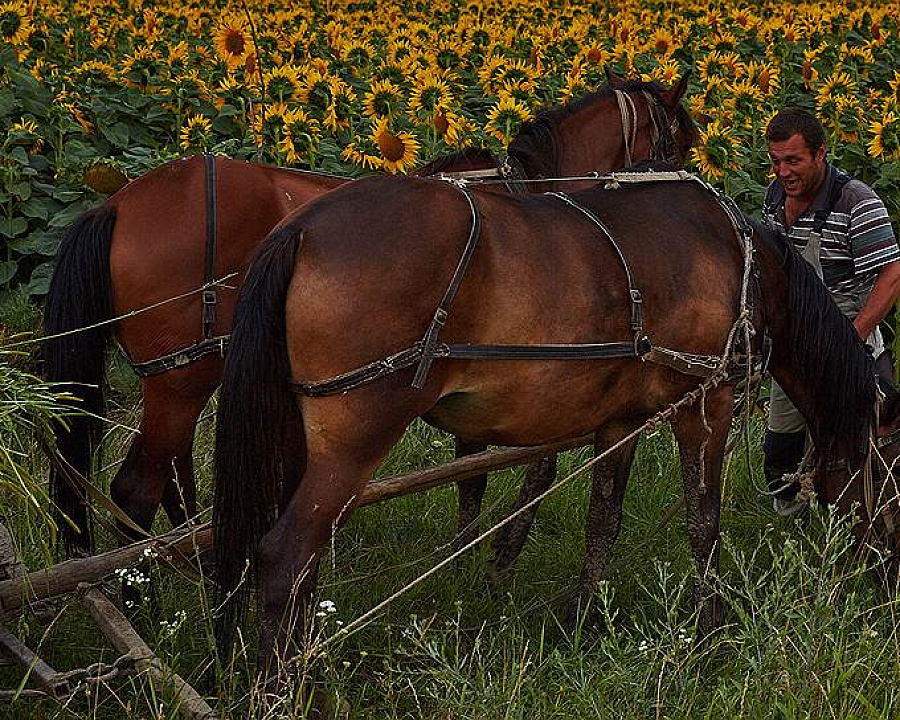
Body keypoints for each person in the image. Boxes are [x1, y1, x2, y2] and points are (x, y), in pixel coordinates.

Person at [762, 106, 900, 515]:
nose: (782, 171)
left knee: (865, 442)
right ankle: (793, 533)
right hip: (794, 348)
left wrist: (850, 337)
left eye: (793, 160)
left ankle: (866, 529)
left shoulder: (855, 200)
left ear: (821, 154)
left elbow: (892, 274)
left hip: (848, 337)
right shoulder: (774, 199)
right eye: (775, 161)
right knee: (782, 450)